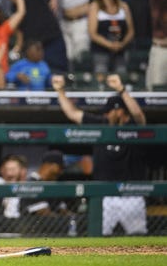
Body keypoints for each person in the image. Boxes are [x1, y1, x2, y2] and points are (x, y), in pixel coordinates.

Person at [51, 73, 148, 236]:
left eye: (109, 111)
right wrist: (60, 91)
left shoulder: (132, 126)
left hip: (131, 194)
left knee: (139, 238)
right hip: (105, 195)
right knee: (98, 236)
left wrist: (122, 90)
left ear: (119, 111)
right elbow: (73, 114)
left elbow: (139, 116)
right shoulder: (101, 124)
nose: (105, 114)